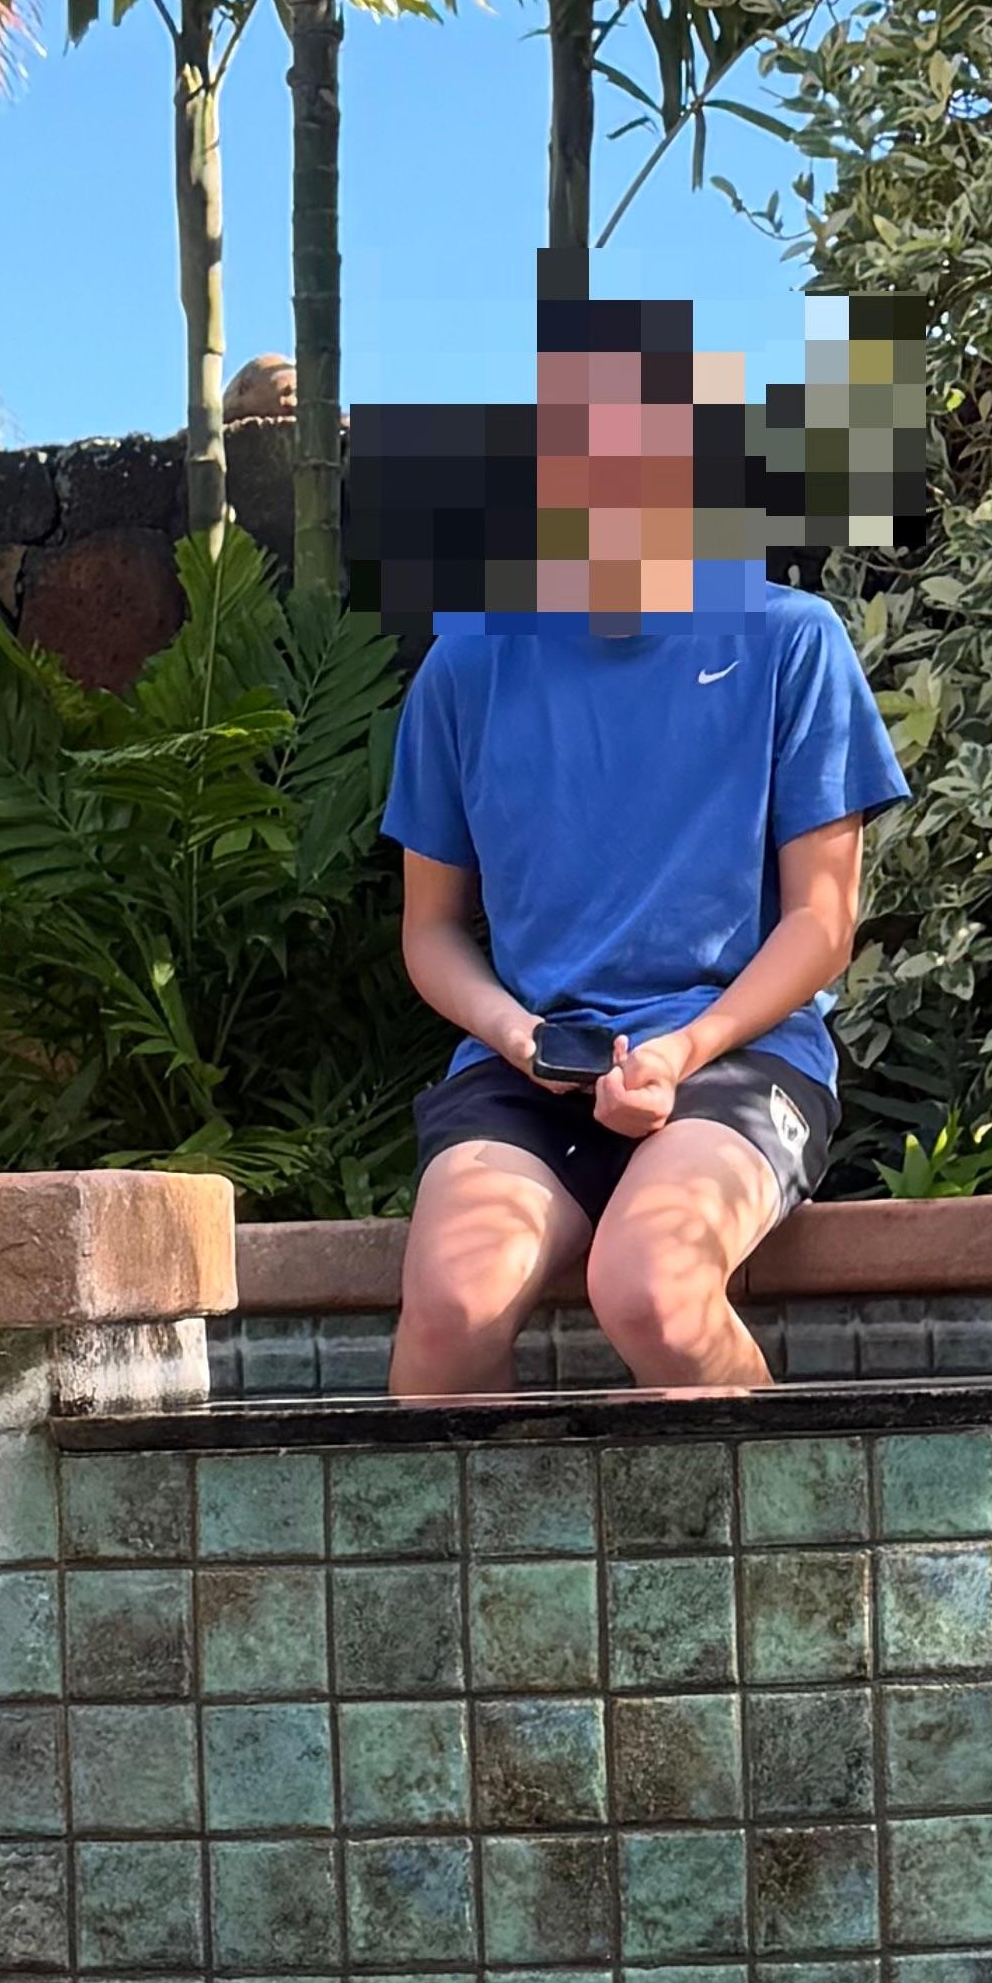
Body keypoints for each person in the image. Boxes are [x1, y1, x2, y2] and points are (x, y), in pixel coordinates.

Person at [381, 289, 906, 1396]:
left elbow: (822, 923)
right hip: (529, 1064)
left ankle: (792, 1513)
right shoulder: (465, 667)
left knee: (652, 1290)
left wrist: (685, 1050)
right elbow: (431, 931)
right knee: (450, 1313)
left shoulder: (793, 642)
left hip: (739, 1056)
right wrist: (519, 1035)